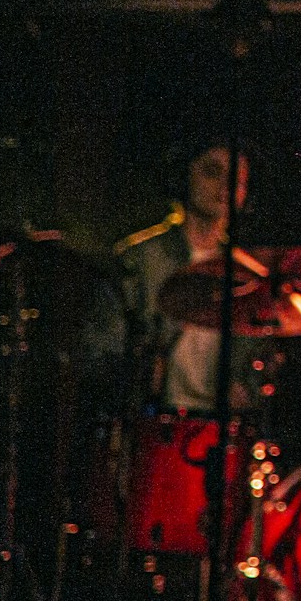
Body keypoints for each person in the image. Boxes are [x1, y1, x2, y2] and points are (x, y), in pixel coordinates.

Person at [117, 140, 252, 414]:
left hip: (219, 426)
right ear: (184, 176)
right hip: (154, 421)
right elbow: (101, 351)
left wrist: (247, 388)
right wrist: (141, 372)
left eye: (236, 179)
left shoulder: (247, 271)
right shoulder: (141, 258)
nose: (225, 186)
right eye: (212, 172)